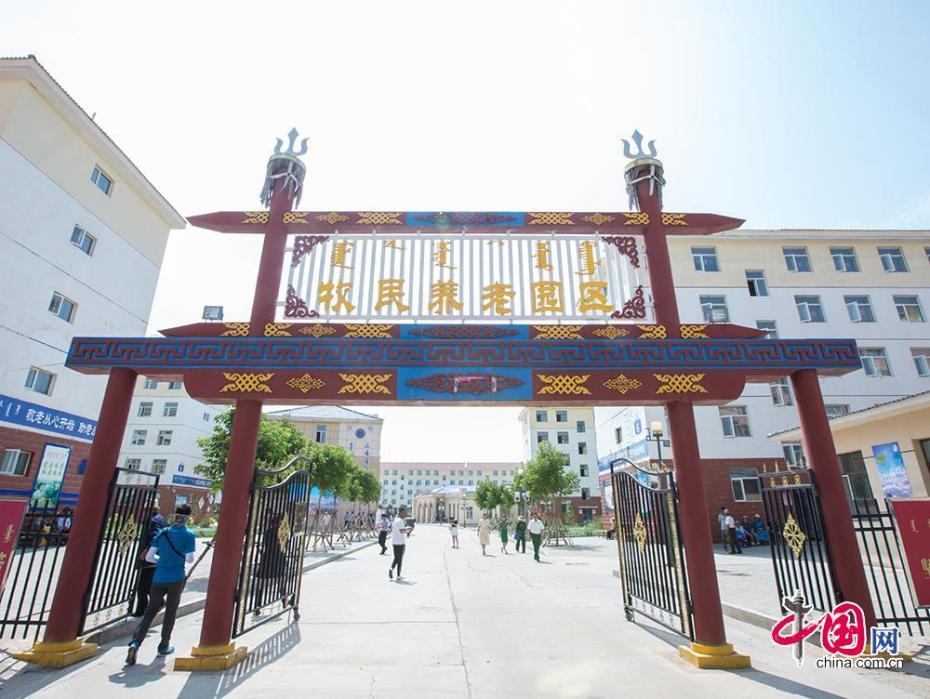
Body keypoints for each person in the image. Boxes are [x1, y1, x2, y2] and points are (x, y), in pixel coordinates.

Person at [126, 504, 196, 665]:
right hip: (176, 577)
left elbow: (149, 557)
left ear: (175, 515)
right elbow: (190, 559)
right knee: (170, 612)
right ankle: (163, 645)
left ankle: (136, 642)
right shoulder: (189, 535)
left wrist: (162, 561)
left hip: (158, 578)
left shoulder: (163, 533)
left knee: (149, 611)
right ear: (187, 518)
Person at [131, 502, 169, 616]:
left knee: (142, 586)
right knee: (149, 585)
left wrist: (147, 550)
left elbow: (155, 537)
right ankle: (158, 602)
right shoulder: (162, 519)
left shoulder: (153, 521)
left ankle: (141, 610)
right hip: (160, 557)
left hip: (150, 559)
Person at [253, 512, 288, 618]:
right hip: (279, 558)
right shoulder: (284, 532)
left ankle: (257, 606)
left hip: (268, 558)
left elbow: (266, 544)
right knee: (281, 580)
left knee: (261, 582)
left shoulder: (269, 531)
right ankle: (284, 601)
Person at [388, 506, 412, 581]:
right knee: (399, 559)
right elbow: (401, 531)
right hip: (400, 542)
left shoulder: (395, 520)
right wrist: (407, 529)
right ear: (401, 513)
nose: (406, 514)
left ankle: (396, 573)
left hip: (394, 542)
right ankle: (393, 569)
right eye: (405, 513)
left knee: (397, 557)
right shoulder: (401, 521)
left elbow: (391, 527)